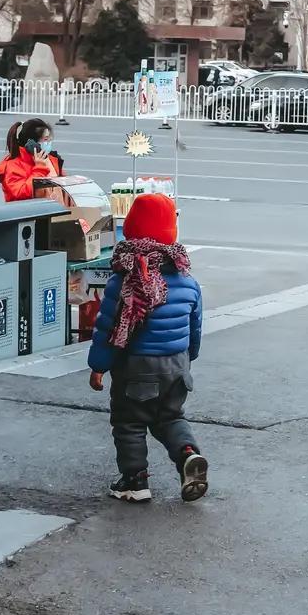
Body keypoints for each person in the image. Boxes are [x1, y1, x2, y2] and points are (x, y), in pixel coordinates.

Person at [87, 193, 207, 504]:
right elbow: (194, 326)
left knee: (129, 421)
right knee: (171, 418)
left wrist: (98, 365)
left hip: (137, 367)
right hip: (177, 365)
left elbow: (107, 328)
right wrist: (187, 357)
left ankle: (134, 481)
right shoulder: (187, 278)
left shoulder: (126, 279)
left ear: (132, 230)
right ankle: (187, 454)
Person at [0, 118, 64, 202]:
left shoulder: (51, 159)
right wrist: (39, 169)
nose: (48, 143)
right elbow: (19, 194)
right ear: (31, 143)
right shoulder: (13, 165)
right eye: (45, 139)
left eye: (50, 140)